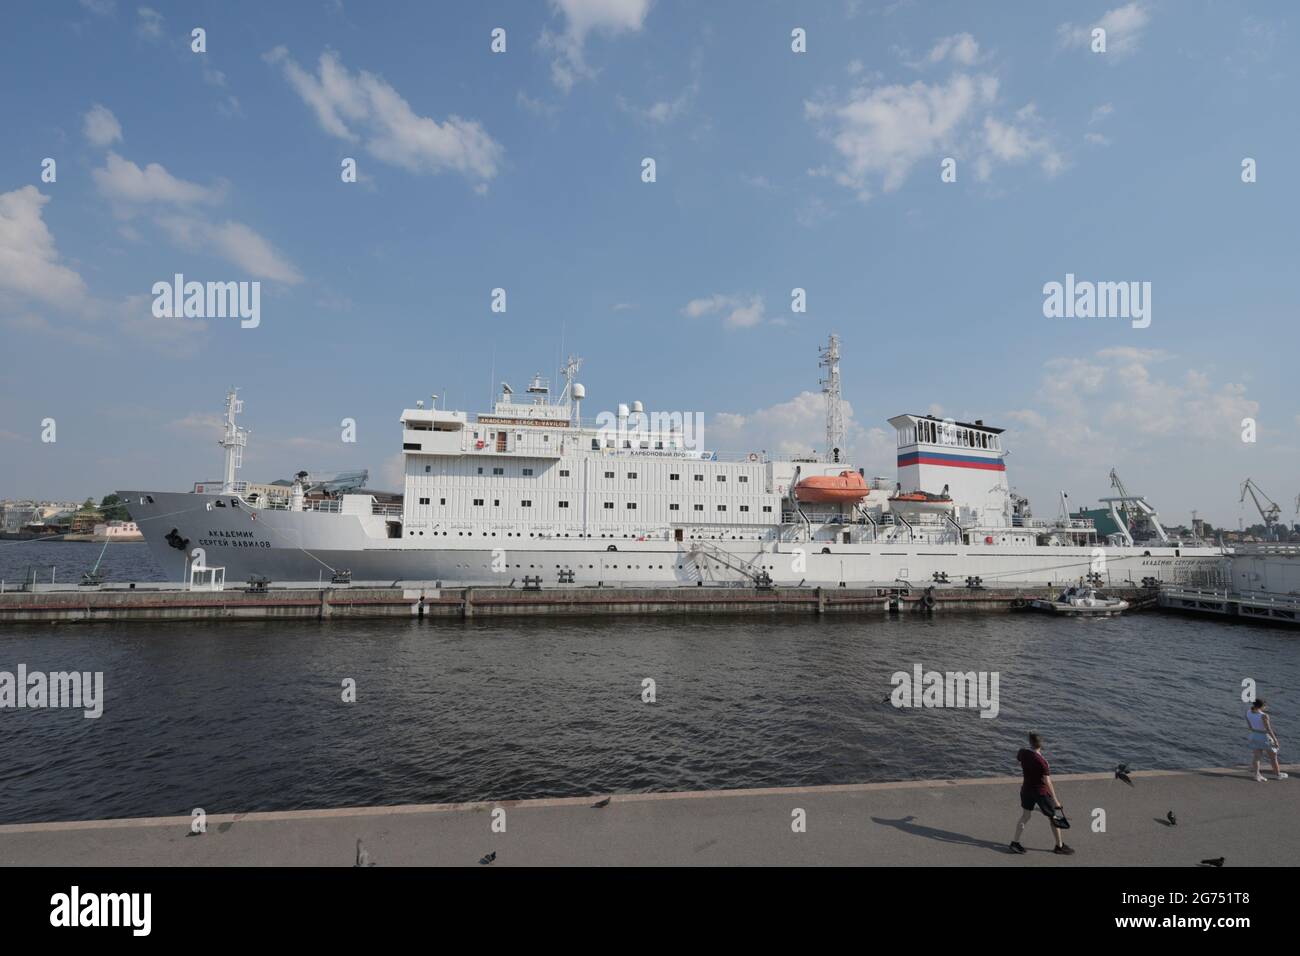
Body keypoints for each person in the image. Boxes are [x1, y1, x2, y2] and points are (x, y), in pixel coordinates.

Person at [1010, 732, 1073, 855]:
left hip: (1026, 790)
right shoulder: (1043, 762)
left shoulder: (1022, 752)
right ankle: (1059, 846)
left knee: (1025, 816)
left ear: (1030, 742)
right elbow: (1048, 782)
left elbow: (1017, 763)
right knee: (1053, 817)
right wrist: (1056, 800)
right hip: (1041, 793)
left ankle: (1015, 843)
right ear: (1041, 744)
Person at [1247, 699, 1287, 782]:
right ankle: (1278, 774)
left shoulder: (1248, 712)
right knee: (1273, 756)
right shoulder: (1264, 715)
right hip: (1264, 736)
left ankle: (1257, 775)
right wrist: (1275, 740)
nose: (1265, 707)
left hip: (1253, 735)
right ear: (1261, 706)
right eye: (1265, 706)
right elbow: (1268, 729)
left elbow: (1250, 726)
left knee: (1257, 756)